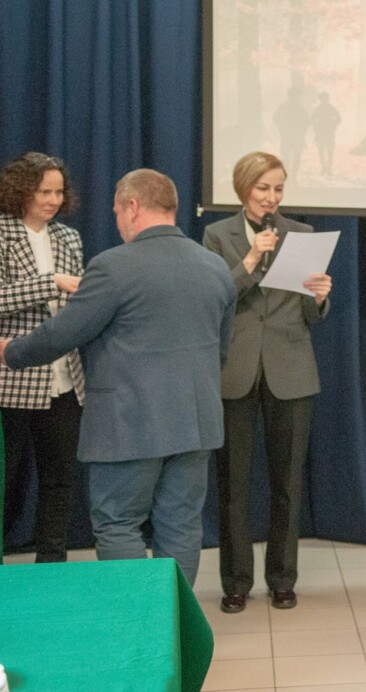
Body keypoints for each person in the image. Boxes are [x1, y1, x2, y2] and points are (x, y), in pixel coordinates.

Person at [1, 169, 235, 585]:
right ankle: (172, 618)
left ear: (132, 206)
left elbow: (63, 334)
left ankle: (138, 618)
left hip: (129, 424)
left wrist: (9, 351)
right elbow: (220, 350)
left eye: (116, 211)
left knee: (118, 522)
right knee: (181, 524)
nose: (117, 221)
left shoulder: (113, 267)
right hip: (195, 422)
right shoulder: (216, 267)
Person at [203, 151, 332, 613]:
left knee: (287, 484)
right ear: (244, 189)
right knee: (233, 486)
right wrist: (252, 257)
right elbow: (215, 297)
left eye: (278, 188)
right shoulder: (217, 235)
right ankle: (236, 582)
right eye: (263, 188)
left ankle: (282, 578)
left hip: (290, 368)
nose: (271, 197)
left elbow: (309, 313)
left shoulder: (302, 234)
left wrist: (320, 297)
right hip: (235, 370)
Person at [0, 152, 85, 563]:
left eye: (58, 192)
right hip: (11, 380)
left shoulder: (69, 238)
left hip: (64, 378)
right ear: (21, 190)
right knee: (6, 479)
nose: (53, 200)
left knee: (59, 480)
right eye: (44, 192)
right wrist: (50, 282)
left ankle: (52, 564)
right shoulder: (2, 234)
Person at [310, 92, 342, 176]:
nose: (323, 100)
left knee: (327, 151)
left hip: (326, 132)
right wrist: (333, 125)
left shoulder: (322, 109)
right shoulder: (328, 108)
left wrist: (333, 125)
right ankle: (325, 167)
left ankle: (327, 168)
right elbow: (313, 120)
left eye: (324, 98)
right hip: (324, 132)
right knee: (325, 151)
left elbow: (338, 118)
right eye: (322, 99)